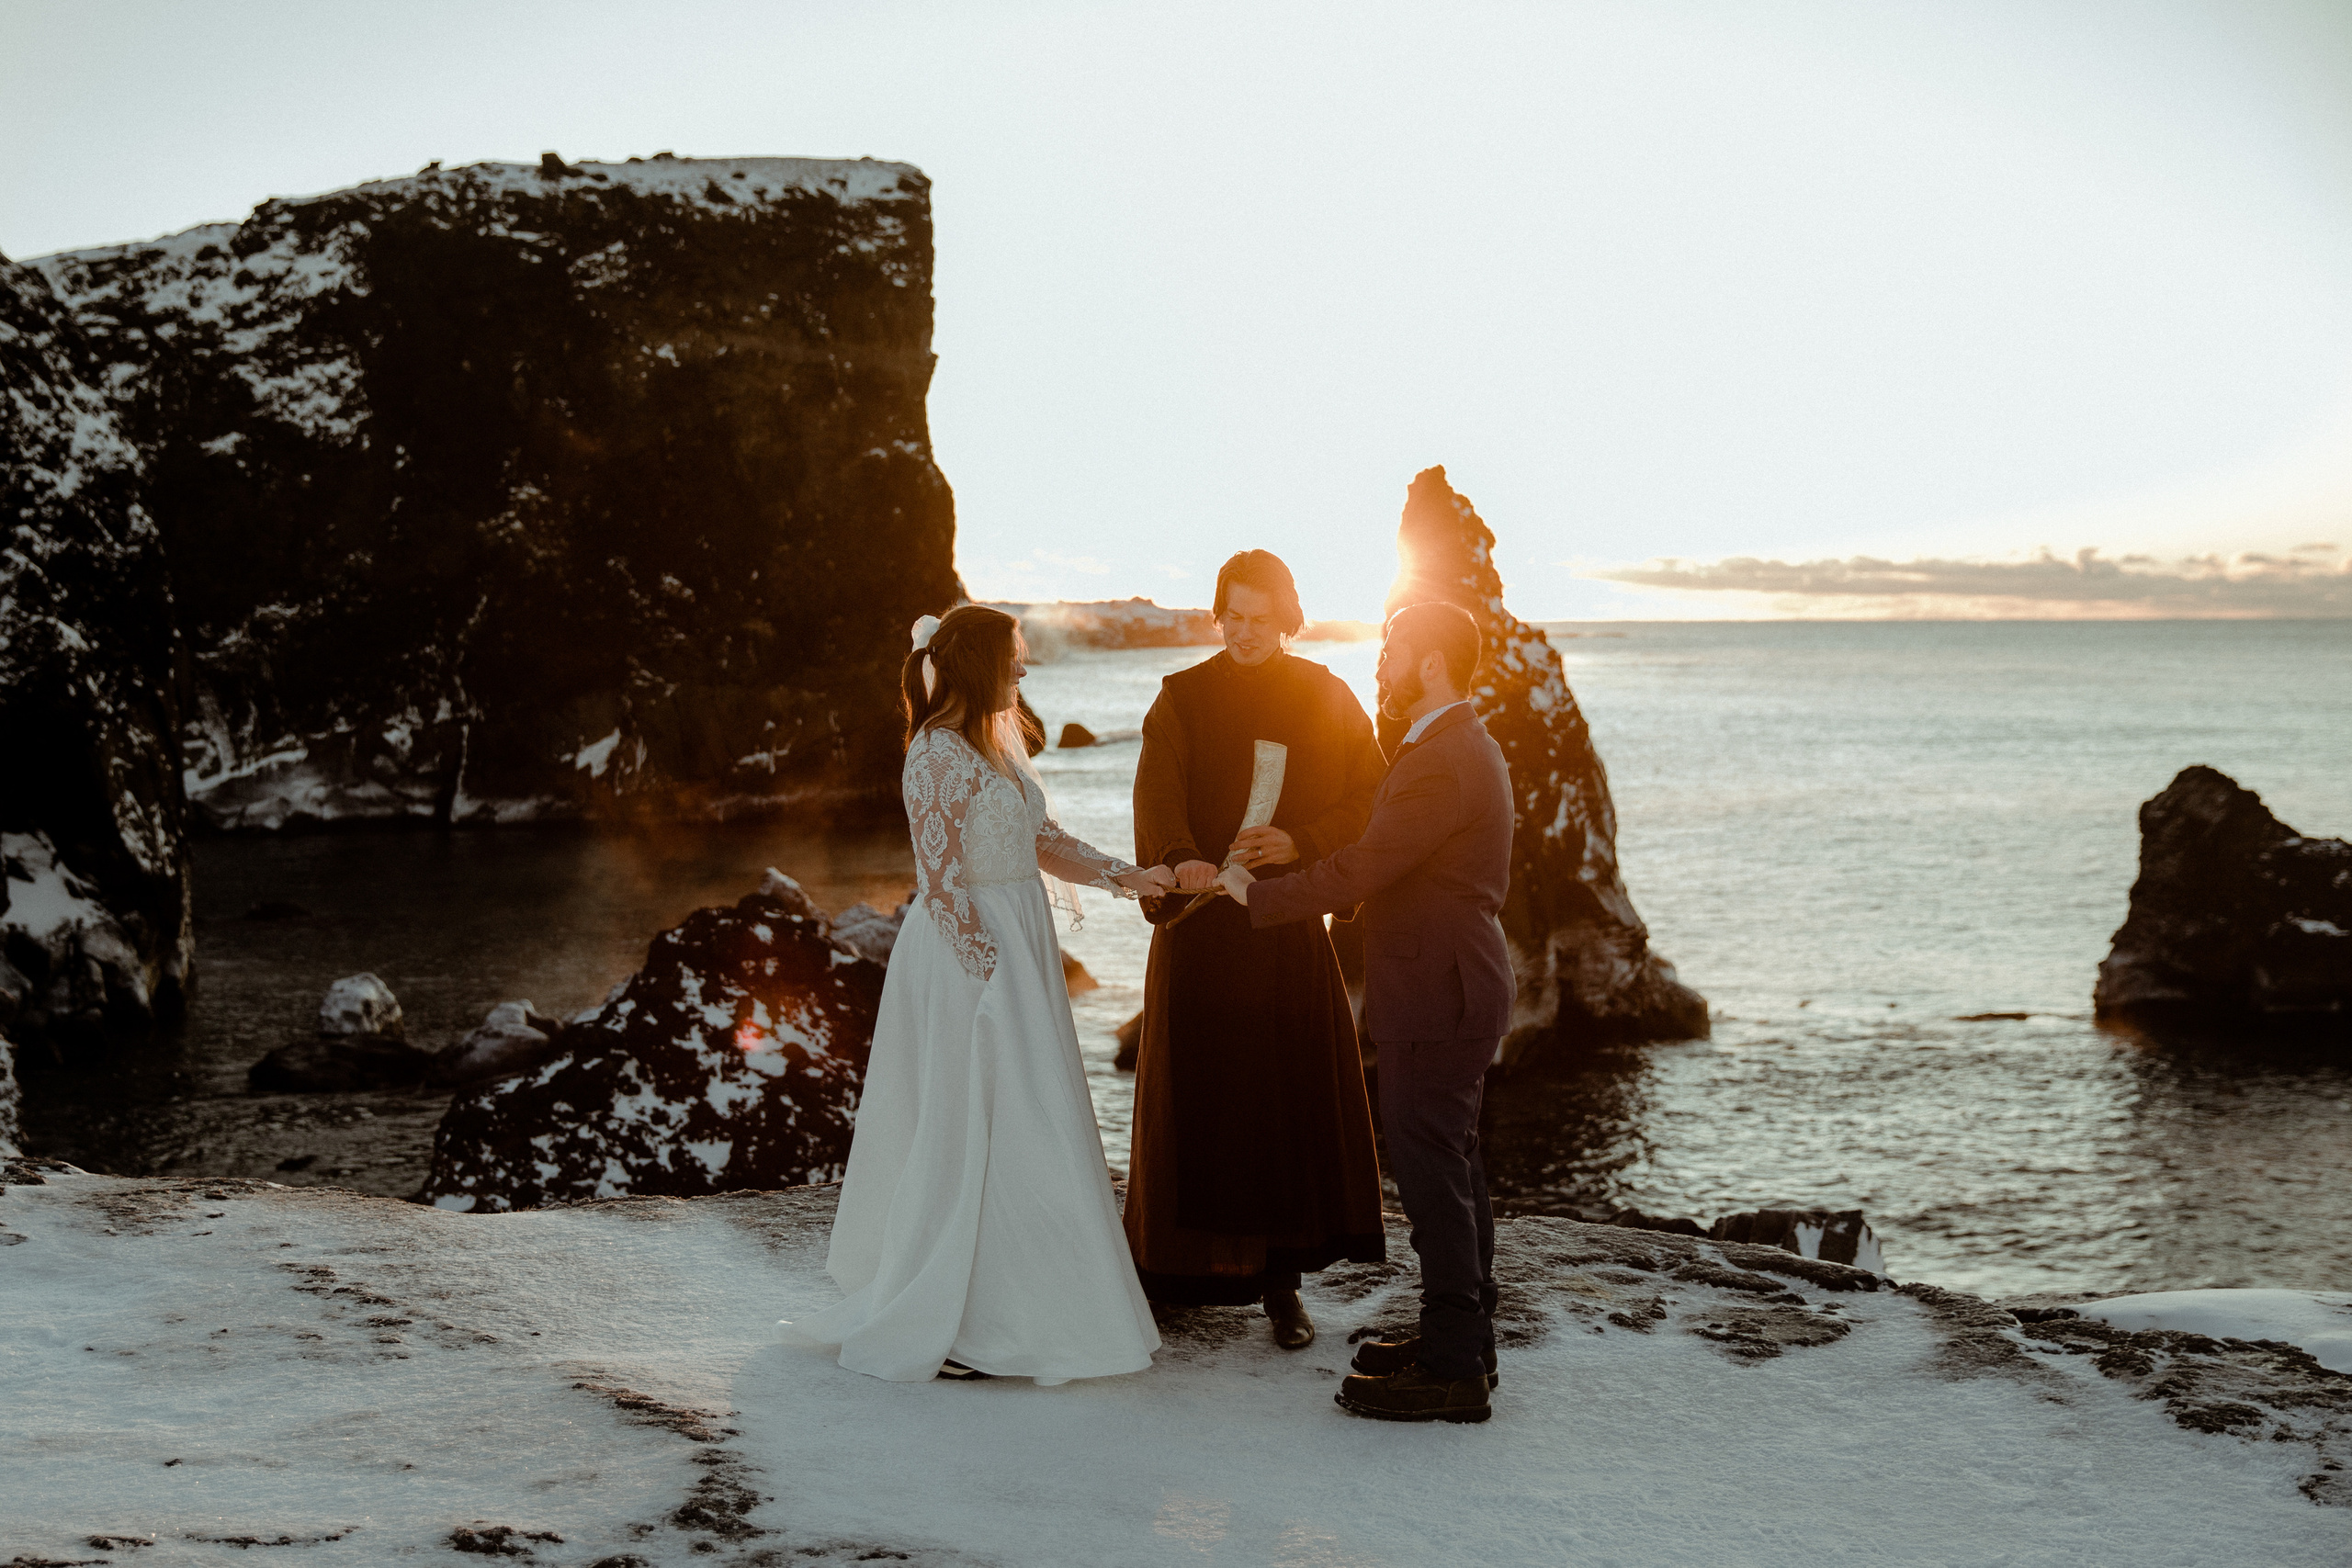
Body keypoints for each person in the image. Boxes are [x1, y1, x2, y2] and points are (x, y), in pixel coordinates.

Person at [779, 604, 1179, 1383]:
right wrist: (989, 974)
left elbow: (1042, 842)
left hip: (1018, 941)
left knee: (1029, 1122)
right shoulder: (932, 756)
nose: (1024, 671)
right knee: (971, 1126)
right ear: (976, 664)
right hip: (970, 958)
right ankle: (960, 1319)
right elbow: (941, 883)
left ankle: (1028, 1305)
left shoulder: (994, 748)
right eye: (1014, 658)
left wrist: (1128, 877)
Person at [1217, 601, 1516, 1423]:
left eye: (1391, 650)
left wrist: (1258, 895)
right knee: (1451, 1162)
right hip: (1450, 981)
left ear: (1429, 663)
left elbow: (1364, 865)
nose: (1380, 664)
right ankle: (1465, 1338)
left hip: (1438, 990)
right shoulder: (1449, 742)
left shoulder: (1441, 756)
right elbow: (1390, 865)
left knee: (1432, 1175)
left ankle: (1455, 1367)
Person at [1123, 550, 1389, 1348]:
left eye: (1259, 619)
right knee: (1196, 1100)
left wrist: (1301, 840)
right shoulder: (1181, 699)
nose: (1243, 633)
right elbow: (1157, 793)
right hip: (1200, 932)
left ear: (1288, 619)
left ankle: (1283, 1286)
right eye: (1230, 617)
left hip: (1283, 930)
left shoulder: (1325, 695)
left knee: (1282, 1106)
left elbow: (1373, 796)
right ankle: (1170, 1277)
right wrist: (1178, 857)